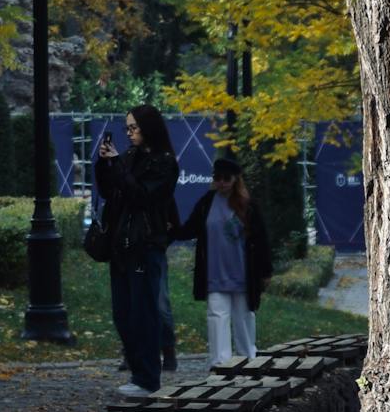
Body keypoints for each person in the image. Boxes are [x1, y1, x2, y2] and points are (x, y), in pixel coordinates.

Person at [94, 105, 179, 396]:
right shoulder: (129, 156)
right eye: (126, 128)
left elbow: (143, 196)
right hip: (121, 244)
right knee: (123, 312)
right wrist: (105, 164)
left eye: (134, 128)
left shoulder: (164, 162)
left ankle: (147, 378)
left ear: (148, 127)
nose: (129, 133)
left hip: (144, 244)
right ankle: (138, 371)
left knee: (143, 311)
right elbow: (111, 192)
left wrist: (118, 166)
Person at [178, 148, 271, 369]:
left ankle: (248, 361)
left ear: (235, 179)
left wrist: (265, 270)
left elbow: (262, 240)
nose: (221, 183)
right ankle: (220, 365)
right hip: (215, 273)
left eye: (226, 178)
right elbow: (191, 227)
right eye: (217, 178)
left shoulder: (248, 206)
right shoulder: (207, 202)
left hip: (242, 274)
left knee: (244, 320)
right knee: (216, 318)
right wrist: (171, 230)